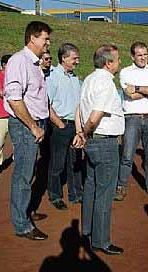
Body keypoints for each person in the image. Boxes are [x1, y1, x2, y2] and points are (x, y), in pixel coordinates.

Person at [73, 44, 125, 255]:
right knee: (104, 193)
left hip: (93, 142)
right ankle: (101, 241)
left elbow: (79, 109)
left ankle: (87, 229)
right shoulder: (105, 83)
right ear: (108, 63)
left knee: (91, 185)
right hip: (104, 142)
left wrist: (81, 134)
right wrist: (84, 133)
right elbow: (95, 115)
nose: (120, 63)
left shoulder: (88, 80)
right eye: (118, 59)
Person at [3, 21, 51, 240]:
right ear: (32, 38)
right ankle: (21, 224)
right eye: (45, 39)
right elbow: (14, 98)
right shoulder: (18, 62)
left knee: (29, 171)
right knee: (23, 174)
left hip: (35, 125)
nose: (48, 43)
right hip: (25, 126)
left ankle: (25, 211)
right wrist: (33, 126)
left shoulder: (34, 64)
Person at [115, 41, 148, 201]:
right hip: (132, 118)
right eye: (139, 55)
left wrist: (136, 88)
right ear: (132, 56)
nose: (143, 58)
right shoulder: (125, 72)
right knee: (127, 155)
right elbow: (130, 95)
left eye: (145, 54)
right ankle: (121, 186)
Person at [46, 43, 83, 210]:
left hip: (74, 127)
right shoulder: (52, 77)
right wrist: (60, 124)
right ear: (64, 58)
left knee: (75, 162)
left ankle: (76, 194)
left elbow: (78, 105)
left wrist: (79, 129)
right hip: (60, 125)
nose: (77, 61)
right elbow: (46, 104)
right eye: (74, 58)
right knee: (57, 164)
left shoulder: (75, 78)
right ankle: (55, 196)